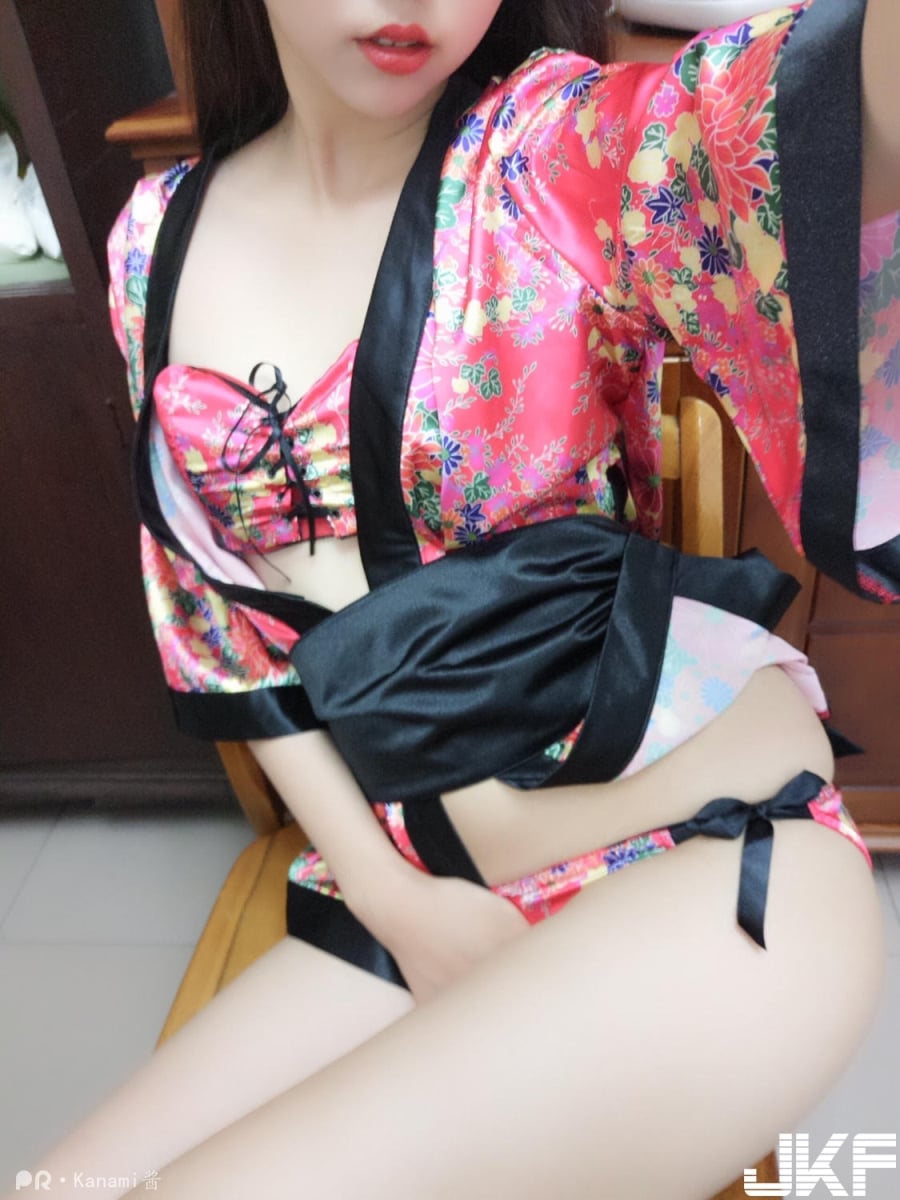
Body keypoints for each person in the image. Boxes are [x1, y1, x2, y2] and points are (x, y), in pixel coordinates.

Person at [13, 1, 898, 1197]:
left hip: (717, 844)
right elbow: (218, 631)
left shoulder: (544, 155)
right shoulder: (152, 242)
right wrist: (392, 900)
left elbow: (815, 108)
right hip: (415, 881)